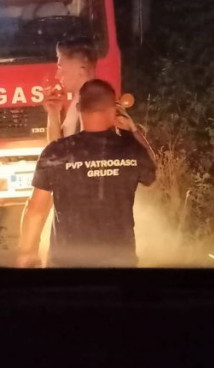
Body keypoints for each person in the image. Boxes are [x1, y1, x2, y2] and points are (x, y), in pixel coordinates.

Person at [17, 79, 156, 268]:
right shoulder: (131, 149)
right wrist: (133, 130)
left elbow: (36, 210)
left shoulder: (56, 151)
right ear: (113, 109)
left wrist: (27, 254)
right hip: (120, 263)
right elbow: (152, 172)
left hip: (65, 263)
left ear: (79, 108)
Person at [43, 35, 98, 143]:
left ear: (81, 70)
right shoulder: (77, 102)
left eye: (60, 68)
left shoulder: (98, 106)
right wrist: (53, 114)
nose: (57, 76)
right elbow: (56, 149)